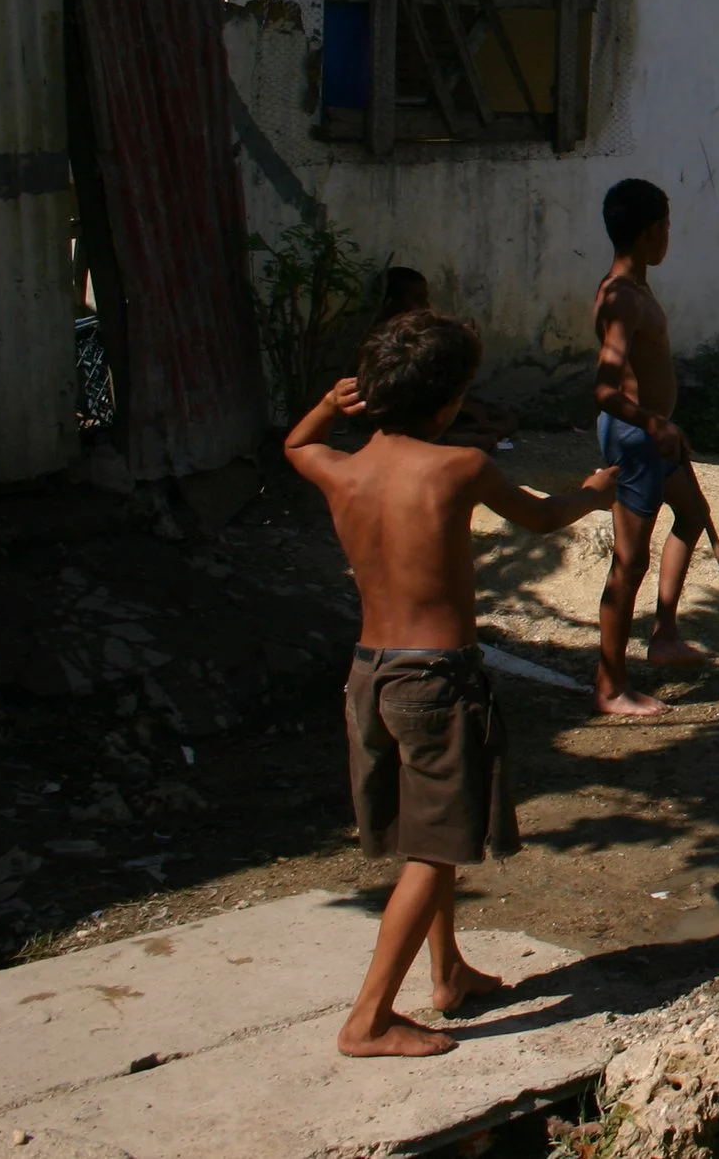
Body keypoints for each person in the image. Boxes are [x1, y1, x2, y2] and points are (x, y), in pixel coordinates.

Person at [282, 310, 615, 1058]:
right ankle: (368, 1018)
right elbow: (539, 517)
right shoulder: (460, 467)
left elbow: (296, 443)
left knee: (417, 830)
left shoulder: (343, 468)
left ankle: (449, 969)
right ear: (447, 403)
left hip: (368, 676)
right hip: (436, 679)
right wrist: (593, 494)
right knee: (434, 851)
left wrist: (331, 408)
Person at [590, 178, 714, 715]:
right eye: (665, 226)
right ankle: (610, 685)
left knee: (693, 514)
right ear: (647, 233)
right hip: (636, 438)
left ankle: (663, 634)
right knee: (629, 559)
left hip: (652, 433)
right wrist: (653, 423)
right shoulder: (621, 298)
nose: (670, 236)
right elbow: (604, 388)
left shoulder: (633, 287)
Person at [373, 267, 517, 447]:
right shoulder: (381, 342)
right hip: (417, 410)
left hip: (440, 403)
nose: (425, 306)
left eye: (425, 299)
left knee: (504, 418)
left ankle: (479, 434)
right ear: (391, 302)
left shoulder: (424, 332)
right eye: (417, 299)